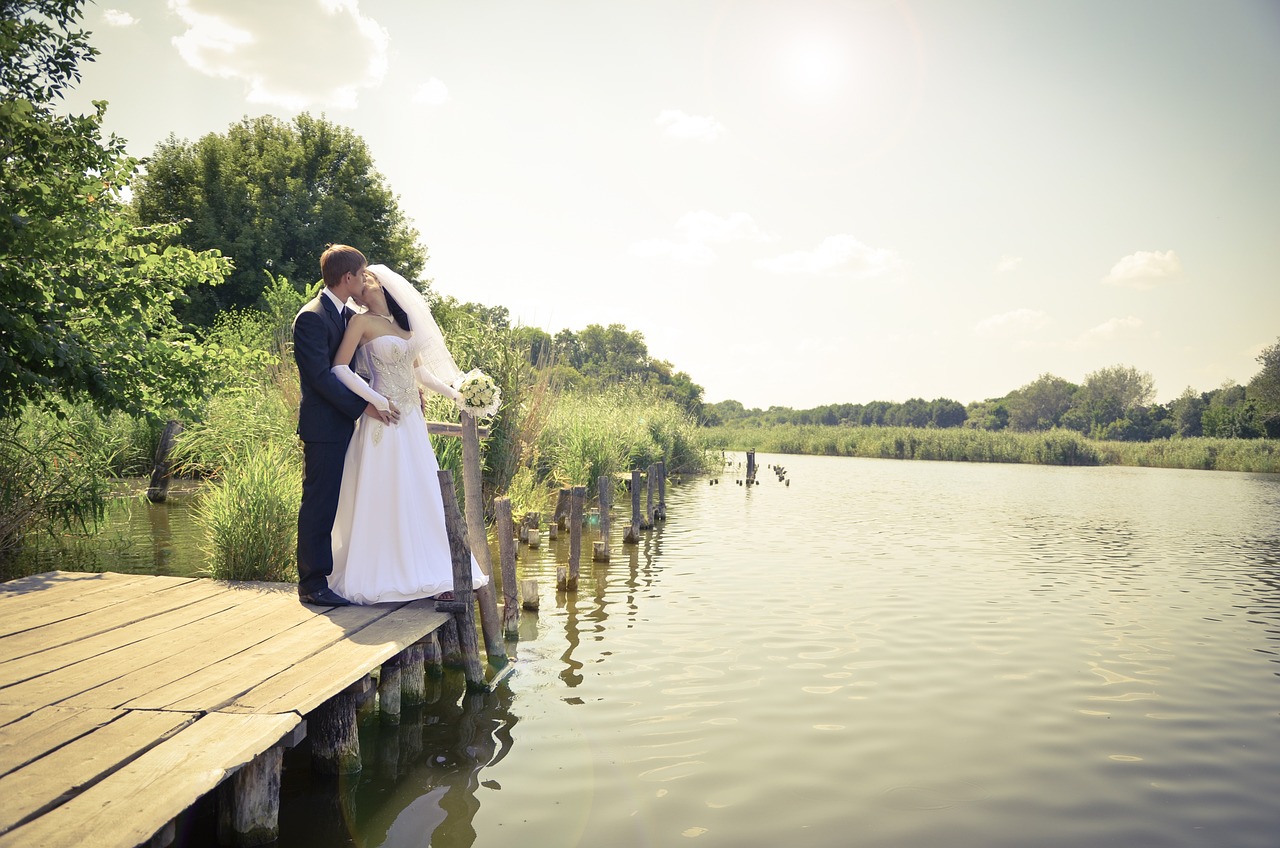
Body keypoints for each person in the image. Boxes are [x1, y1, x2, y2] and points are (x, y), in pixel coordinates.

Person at [326, 264, 490, 603]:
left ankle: (428, 569)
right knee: (385, 489)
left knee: (420, 489)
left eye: (367, 279)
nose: (360, 285)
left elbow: (422, 375)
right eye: (359, 279)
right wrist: (375, 399)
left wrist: (458, 394)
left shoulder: (404, 326)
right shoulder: (360, 321)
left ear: (384, 287)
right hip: (383, 420)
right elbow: (340, 368)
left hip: (412, 420)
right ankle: (385, 571)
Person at [293, 245, 399, 606]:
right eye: (362, 273)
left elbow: (355, 367)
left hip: (341, 425)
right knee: (319, 504)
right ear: (348, 277)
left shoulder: (344, 314)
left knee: (333, 503)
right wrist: (364, 406)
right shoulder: (311, 317)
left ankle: (329, 576)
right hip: (323, 428)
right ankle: (311, 584)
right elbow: (321, 377)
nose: (365, 280)